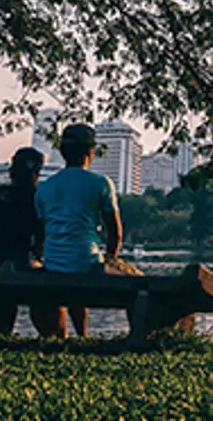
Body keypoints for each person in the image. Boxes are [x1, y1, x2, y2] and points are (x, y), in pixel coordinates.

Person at [34, 123, 141, 337]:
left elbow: (40, 234)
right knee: (138, 281)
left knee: (73, 270)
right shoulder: (101, 183)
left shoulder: (45, 187)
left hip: (54, 263)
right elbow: (115, 233)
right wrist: (111, 258)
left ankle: (77, 336)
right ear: (90, 152)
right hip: (87, 262)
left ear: (63, 152)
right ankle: (93, 335)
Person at [0, 147, 68, 336]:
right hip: (22, 264)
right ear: (37, 173)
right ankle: (56, 337)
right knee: (49, 291)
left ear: (12, 171)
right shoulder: (38, 199)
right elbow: (41, 236)